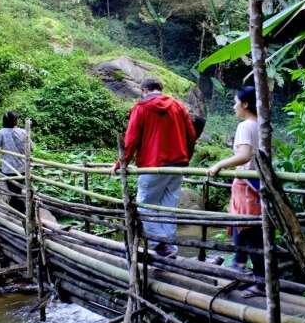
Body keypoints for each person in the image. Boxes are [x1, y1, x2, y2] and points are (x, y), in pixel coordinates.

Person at [112, 77, 197, 258]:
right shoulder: (178, 106)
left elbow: (131, 139)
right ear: (160, 88)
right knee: (168, 207)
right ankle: (171, 248)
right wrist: (185, 158)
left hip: (153, 166)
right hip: (177, 165)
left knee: (144, 206)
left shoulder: (141, 108)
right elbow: (191, 135)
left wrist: (121, 163)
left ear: (144, 90)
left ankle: (161, 244)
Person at [208, 86, 264, 297]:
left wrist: (219, 164)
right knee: (251, 231)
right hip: (259, 185)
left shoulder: (245, 126)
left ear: (245, 104)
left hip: (248, 185)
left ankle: (256, 281)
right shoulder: (263, 125)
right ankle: (240, 270)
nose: (234, 107)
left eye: (235, 102)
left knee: (248, 231)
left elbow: (244, 155)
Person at [0, 111, 30, 213]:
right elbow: (31, 147)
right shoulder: (23, 132)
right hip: (23, 167)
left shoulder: (1, 132)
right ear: (16, 121)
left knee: (13, 192)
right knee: (18, 190)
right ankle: (20, 211)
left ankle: (20, 212)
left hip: (9, 168)